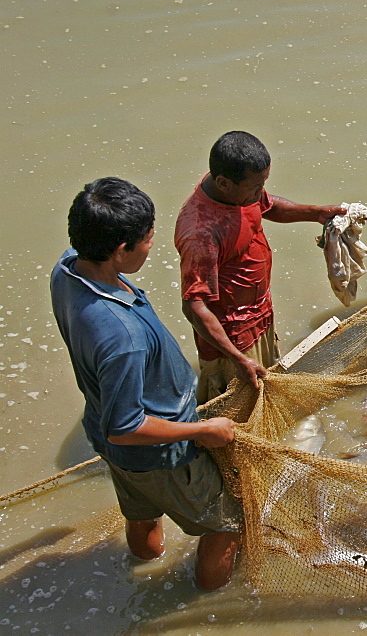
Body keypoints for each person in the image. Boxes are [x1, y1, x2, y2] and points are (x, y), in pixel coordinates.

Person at [50, 177, 243, 591]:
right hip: (163, 454)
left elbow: (113, 428)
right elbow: (126, 426)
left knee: (141, 513)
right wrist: (204, 429)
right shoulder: (122, 338)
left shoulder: (67, 269)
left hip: (110, 441)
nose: (152, 245)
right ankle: (206, 603)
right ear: (120, 251)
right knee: (227, 523)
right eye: (147, 240)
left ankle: (143, 575)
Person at [175, 131, 346, 403]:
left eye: (263, 182)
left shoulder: (237, 192)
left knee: (266, 388)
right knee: (239, 408)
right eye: (256, 186)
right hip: (233, 335)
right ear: (223, 183)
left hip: (259, 315)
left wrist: (315, 213)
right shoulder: (201, 234)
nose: (260, 191)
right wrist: (237, 358)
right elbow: (194, 307)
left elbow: (267, 205)